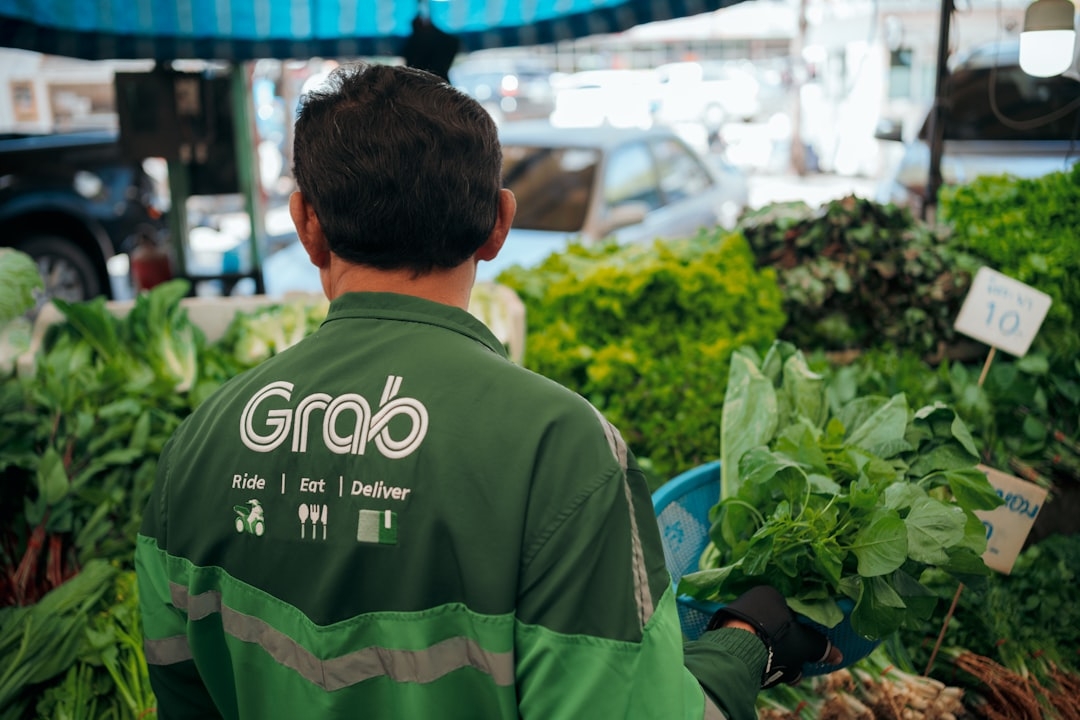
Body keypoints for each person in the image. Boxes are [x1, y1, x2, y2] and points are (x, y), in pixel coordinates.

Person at [135, 62, 838, 720]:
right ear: (498, 224)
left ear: (306, 223)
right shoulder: (559, 449)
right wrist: (748, 643)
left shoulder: (198, 444)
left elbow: (179, 686)